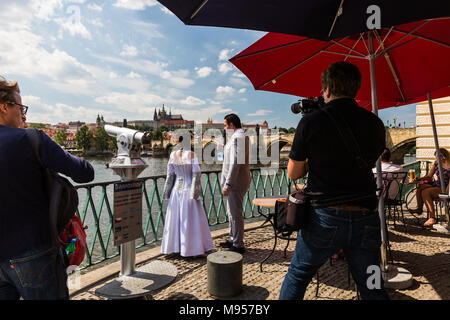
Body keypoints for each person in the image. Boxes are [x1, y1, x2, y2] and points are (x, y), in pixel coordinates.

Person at [279, 61, 389, 300]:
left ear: (326, 89)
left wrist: (313, 161)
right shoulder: (375, 123)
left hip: (324, 216)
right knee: (372, 284)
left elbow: (294, 173)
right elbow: (367, 160)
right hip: (365, 214)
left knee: (299, 275)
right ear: (356, 89)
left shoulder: (311, 121)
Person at [0, 77, 94, 300]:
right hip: (32, 251)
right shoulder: (31, 139)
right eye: (20, 107)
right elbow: (85, 172)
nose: (23, 115)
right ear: (4, 106)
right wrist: (58, 151)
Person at [161, 135, 214, 257]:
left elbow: (169, 176)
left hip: (176, 190)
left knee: (175, 219)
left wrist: (167, 193)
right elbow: (196, 174)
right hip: (188, 189)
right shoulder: (191, 154)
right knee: (190, 220)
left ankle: (174, 248)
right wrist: (195, 193)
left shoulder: (172, 155)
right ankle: (192, 249)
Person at [219, 114, 250, 254]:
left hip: (236, 182)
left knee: (235, 213)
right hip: (235, 181)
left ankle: (238, 244)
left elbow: (236, 162)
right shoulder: (236, 137)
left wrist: (228, 184)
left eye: (225, 125)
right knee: (231, 212)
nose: (224, 128)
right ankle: (233, 238)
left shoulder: (239, 138)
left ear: (232, 125)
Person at [408, 148, 450, 226]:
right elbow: (429, 176)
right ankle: (419, 209)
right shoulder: (437, 163)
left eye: (438, 157)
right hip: (437, 185)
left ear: (443, 157)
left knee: (426, 192)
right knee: (420, 187)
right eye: (436, 157)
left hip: (445, 188)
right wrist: (419, 179)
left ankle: (432, 217)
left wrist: (446, 194)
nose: (436, 159)